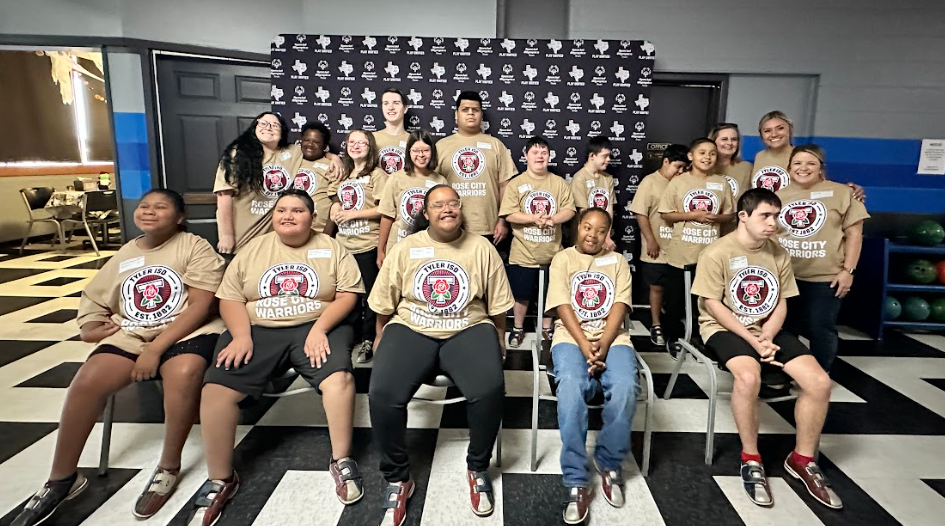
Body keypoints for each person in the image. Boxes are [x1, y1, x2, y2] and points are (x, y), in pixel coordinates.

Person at [12, 189, 225, 526]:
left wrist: (156, 349)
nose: (150, 211)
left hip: (187, 333)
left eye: (161, 207)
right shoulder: (127, 253)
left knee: (183, 372)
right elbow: (95, 298)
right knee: (87, 381)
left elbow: (201, 305)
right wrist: (91, 327)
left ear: (180, 217)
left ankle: (168, 466)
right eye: (144, 206)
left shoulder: (194, 246)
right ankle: (62, 478)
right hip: (134, 333)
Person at [188, 190, 365, 526]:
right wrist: (241, 335)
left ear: (313, 218)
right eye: (282, 210)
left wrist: (320, 329)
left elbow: (347, 295)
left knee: (339, 379)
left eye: (297, 210)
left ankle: (341, 459)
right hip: (258, 329)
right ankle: (221, 478)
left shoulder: (332, 248)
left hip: (317, 325)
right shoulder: (253, 249)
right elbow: (230, 298)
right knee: (215, 391)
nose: (288, 216)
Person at [368, 185, 513, 526]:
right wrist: (380, 336)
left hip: (468, 326)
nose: (447, 209)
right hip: (411, 326)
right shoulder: (406, 247)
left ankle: (477, 467)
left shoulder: (482, 247)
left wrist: (499, 337)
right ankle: (398, 477)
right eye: (438, 205)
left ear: (461, 209)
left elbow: (497, 304)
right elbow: (384, 301)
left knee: (489, 388)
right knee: (382, 393)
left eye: (452, 204)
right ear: (426, 212)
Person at [691, 188, 841, 510]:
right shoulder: (717, 252)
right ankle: (751, 458)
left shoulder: (778, 253)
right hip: (723, 328)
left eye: (776, 216)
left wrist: (767, 335)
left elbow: (782, 301)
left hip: (766, 328)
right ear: (743, 217)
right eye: (765, 216)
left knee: (819, 382)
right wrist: (751, 339)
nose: (773, 222)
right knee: (749, 378)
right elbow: (712, 305)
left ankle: (802, 459)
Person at [546, 208, 637, 525]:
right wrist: (585, 344)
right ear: (578, 228)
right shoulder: (563, 259)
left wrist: (605, 343)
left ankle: (608, 461)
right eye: (587, 227)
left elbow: (620, 304)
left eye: (600, 230)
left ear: (607, 233)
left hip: (613, 338)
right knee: (571, 389)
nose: (592, 235)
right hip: (571, 337)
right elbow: (562, 305)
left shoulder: (618, 261)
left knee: (626, 388)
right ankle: (576, 478)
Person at [777, 145, 869, 372]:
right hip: (786, 276)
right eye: (797, 163)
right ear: (789, 168)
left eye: (811, 163)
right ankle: (786, 371)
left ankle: (819, 375)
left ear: (821, 168)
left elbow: (855, 234)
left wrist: (848, 271)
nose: (803, 168)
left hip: (826, 277)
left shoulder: (843, 193)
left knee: (820, 327)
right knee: (785, 328)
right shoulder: (778, 196)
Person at [658, 138, 735, 352]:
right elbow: (666, 213)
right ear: (691, 156)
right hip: (681, 254)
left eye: (712, 153)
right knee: (675, 300)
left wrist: (716, 218)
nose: (707, 157)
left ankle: (700, 338)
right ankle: (673, 337)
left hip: (709, 256)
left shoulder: (721, 183)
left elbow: (730, 215)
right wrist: (693, 216)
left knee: (704, 301)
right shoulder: (678, 182)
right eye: (702, 152)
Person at [500, 136, 576, 347]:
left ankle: (547, 328)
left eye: (544, 152)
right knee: (521, 295)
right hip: (523, 253)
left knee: (550, 294)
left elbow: (570, 209)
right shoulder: (516, 183)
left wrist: (553, 219)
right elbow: (508, 213)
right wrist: (532, 218)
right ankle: (517, 328)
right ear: (525, 155)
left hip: (552, 254)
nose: (540, 156)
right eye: (535, 152)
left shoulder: (558, 183)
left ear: (549, 156)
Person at [328, 129, 387, 362]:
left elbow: (384, 209)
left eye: (362, 143)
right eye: (352, 142)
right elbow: (334, 196)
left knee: (371, 294)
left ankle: (369, 338)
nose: (356, 146)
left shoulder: (377, 174)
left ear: (370, 147)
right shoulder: (343, 172)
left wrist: (352, 214)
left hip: (367, 244)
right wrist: (335, 205)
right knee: (347, 293)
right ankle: (350, 335)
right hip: (344, 246)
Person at [436, 91, 517, 245]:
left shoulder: (495, 145)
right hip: (450, 228)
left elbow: (505, 186)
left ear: (481, 115)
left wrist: (502, 221)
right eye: (465, 109)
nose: (470, 113)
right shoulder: (440, 146)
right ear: (456, 114)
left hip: (489, 228)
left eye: (475, 110)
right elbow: (432, 188)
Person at [629, 144, 689, 347]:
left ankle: (674, 328)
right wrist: (651, 240)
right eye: (677, 167)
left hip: (679, 248)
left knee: (675, 290)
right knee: (656, 286)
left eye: (684, 168)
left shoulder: (684, 183)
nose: (680, 172)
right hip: (656, 245)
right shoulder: (650, 182)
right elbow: (640, 213)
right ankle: (656, 324)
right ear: (665, 161)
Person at [377, 130, 447, 267]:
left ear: (432, 151)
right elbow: (387, 216)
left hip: (427, 247)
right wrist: (380, 250)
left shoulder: (440, 181)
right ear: (409, 152)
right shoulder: (396, 178)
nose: (421, 155)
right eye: (415, 150)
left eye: (425, 150)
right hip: (397, 244)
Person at [569, 136, 617, 250]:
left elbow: (609, 209)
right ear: (592, 156)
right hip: (584, 239)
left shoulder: (607, 178)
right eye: (604, 156)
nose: (608, 160)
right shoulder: (580, 178)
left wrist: (606, 236)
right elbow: (584, 213)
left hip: (603, 238)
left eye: (609, 156)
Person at [291, 122, 334, 233]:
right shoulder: (292, 161)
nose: (310, 144)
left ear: (324, 146)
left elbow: (337, 202)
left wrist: (327, 233)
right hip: (292, 227)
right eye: (307, 140)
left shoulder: (332, 165)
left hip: (318, 230)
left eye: (316, 142)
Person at [751, 111, 795, 192]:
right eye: (767, 131)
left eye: (780, 128)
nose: (774, 134)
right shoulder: (759, 156)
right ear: (761, 134)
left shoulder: (801, 156)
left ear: (790, 129)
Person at [709, 123, 753, 200]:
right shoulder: (703, 168)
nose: (729, 143)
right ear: (713, 142)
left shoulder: (747, 168)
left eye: (734, 139)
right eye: (724, 139)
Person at [374, 88, 412, 175]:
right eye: (386, 103)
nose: (391, 107)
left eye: (396, 103)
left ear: (405, 108)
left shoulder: (413, 140)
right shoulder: (371, 138)